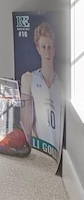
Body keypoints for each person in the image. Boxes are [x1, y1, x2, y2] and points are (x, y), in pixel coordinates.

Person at [20, 22, 62, 159]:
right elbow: (26, 124)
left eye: (50, 47)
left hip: (58, 149)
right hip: (39, 148)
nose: (47, 51)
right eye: (43, 47)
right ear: (38, 49)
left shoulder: (62, 84)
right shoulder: (29, 78)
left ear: (54, 49)